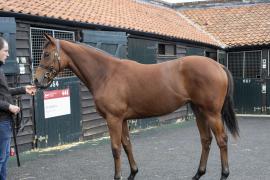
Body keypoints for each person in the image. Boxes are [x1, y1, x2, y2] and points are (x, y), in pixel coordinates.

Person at [0, 37, 36, 180]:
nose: (8, 54)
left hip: (5, 121)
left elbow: (5, 91)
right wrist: (9, 106)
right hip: (1, 122)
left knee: (3, 159)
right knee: (1, 159)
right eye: (5, 51)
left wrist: (23, 89)